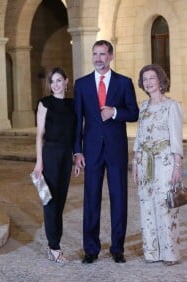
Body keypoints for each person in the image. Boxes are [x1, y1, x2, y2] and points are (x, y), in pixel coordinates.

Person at [73, 40, 139, 264]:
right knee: (91, 199)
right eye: (95, 54)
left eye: (102, 54)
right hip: (91, 151)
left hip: (116, 149)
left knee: (119, 198)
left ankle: (117, 248)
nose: (98, 58)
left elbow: (134, 113)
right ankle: (91, 249)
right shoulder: (81, 84)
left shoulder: (124, 83)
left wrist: (115, 112)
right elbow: (77, 121)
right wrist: (77, 152)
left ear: (110, 56)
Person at [132, 64, 183, 266]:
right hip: (145, 162)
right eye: (145, 79)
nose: (148, 82)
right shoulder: (143, 106)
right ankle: (152, 252)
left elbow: (176, 138)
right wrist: (135, 163)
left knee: (166, 206)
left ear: (161, 81)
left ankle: (170, 253)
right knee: (146, 205)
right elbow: (140, 136)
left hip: (164, 162)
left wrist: (177, 166)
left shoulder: (172, 106)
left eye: (152, 78)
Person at [33, 67, 75, 263]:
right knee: (50, 201)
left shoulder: (72, 105)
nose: (56, 84)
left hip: (66, 155)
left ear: (67, 82)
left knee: (61, 201)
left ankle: (54, 244)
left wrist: (75, 157)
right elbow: (40, 135)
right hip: (50, 153)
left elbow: (75, 134)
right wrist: (39, 163)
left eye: (59, 80)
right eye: (53, 81)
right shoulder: (45, 103)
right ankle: (54, 247)